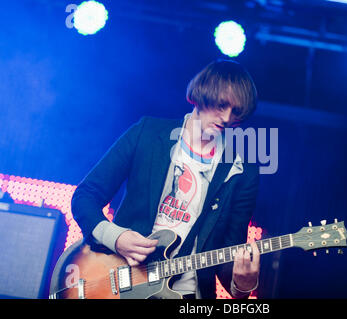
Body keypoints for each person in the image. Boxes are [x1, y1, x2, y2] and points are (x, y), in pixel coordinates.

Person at [71, 59, 260, 299]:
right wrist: (116, 237)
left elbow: (227, 259)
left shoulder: (241, 172)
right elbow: (85, 196)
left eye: (236, 112)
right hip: (120, 282)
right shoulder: (148, 133)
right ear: (202, 94)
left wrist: (243, 284)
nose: (226, 118)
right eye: (222, 105)